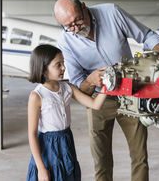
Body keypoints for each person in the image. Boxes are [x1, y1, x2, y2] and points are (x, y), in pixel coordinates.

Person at [53, 0, 159, 181]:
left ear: (83, 7)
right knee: (101, 159)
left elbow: (147, 36)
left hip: (131, 94)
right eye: (69, 26)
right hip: (99, 100)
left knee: (139, 156)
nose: (75, 28)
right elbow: (79, 86)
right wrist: (90, 81)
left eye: (77, 20)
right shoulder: (66, 41)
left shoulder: (112, 13)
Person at [26, 44, 107, 181]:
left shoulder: (67, 87)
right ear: (44, 69)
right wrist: (41, 168)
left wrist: (108, 85)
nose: (64, 68)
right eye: (58, 64)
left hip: (66, 140)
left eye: (63, 63)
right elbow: (32, 134)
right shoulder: (37, 96)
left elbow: (95, 104)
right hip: (48, 145)